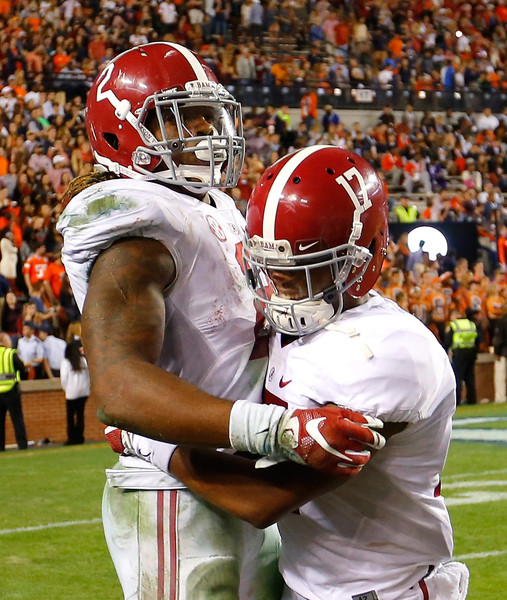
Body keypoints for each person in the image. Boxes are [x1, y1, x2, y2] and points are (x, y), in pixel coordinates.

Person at [57, 43, 382, 600]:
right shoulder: (137, 230)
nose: (208, 132)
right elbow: (117, 385)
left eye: (210, 114)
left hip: (239, 470)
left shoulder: (213, 209)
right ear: (122, 130)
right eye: (184, 119)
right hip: (175, 486)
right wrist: (278, 430)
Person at [146, 146, 469, 600]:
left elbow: (261, 499)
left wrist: (153, 442)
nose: (280, 288)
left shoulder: (390, 354)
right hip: (305, 582)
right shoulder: (291, 324)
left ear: (363, 258)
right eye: (270, 269)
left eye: (305, 270)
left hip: (382, 591)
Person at [444, 308, 480, 406]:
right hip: (471, 352)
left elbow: (447, 341)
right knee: (470, 377)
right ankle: (472, 399)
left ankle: (457, 400)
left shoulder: (454, 325)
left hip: (459, 352)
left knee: (457, 377)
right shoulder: (471, 324)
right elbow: (478, 340)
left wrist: (444, 353)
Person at [0, 331, 27, 451]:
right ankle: (22, 445)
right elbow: (21, 368)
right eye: (8, 340)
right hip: (11, 391)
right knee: (17, 420)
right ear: (3, 342)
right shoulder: (10, 353)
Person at [60, 338, 90, 445]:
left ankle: (72, 438)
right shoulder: (83, 361)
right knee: (80, 415)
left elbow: (64, 378)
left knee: (71, 417)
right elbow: (88, 376)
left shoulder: (66, 362)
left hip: (71, 393)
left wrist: (66, 389)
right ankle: (80, 437)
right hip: (84, 392)